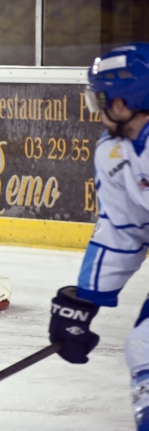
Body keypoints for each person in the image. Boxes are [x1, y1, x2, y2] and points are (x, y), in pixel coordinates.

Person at [47, 42, 149, 431]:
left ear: (122, 104)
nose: (96, 108)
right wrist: (85, 299)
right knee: (144, 348)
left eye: (100, 99)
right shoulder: (114, 152)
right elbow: (124, 230)